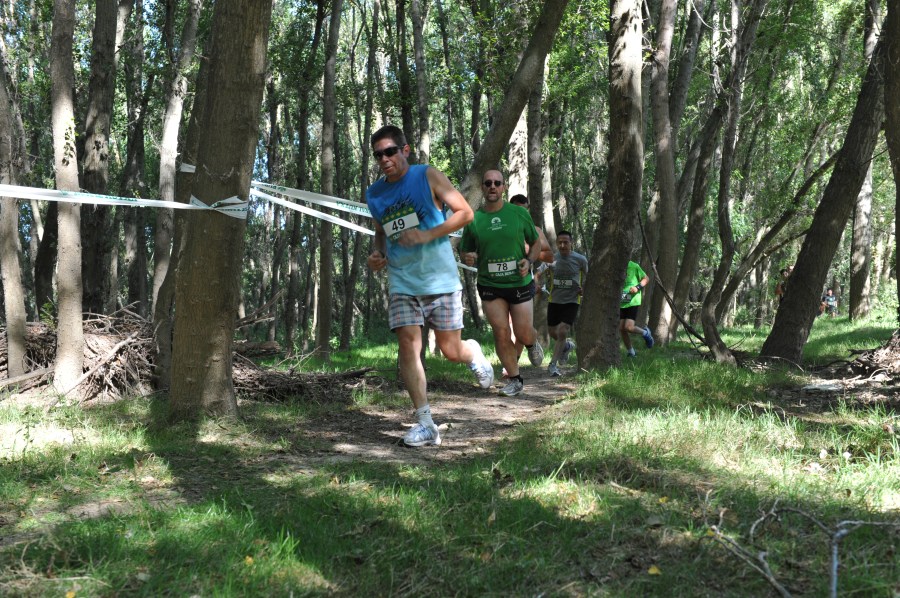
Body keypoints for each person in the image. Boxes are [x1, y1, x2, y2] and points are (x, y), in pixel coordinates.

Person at [366, 125, 494, 447]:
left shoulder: (427, 176)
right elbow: (381, 231)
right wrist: (378, 254)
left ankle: (472, 352)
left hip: (440, 279)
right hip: (402, 281)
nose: (384, 159)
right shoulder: (374, 194)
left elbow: (465, 213)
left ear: (405, 150)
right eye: (378, 155)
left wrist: (426, 235)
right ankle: (425, 423)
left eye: (390, 152)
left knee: (451, 350)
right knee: (409, 345)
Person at [459, 169, 544, 396]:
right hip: (490, 285)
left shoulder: (518, 213)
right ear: (483, 188)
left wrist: (529, 260)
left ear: (503, 187)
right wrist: (467, 257)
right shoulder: (474, 219)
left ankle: (532, 343)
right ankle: (515, 379)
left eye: (497, 183)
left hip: (519, 282)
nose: (492, 186)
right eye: (488, 183)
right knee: (501, 331)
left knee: (523, 332)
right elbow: (465, 250)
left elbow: (536, 242)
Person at [505, 193, 553, 375]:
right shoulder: (500, 228)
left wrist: (530, 250)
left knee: (519, 326)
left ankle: (513, 363)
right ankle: (511, 364)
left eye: (524, 210)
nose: (521, 213)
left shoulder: (535, 230)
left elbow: (549, 256)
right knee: (505, 326)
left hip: (524, 283)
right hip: (499, 283)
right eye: (517, 210)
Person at [539, 230, 588, 377]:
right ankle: (566, 346)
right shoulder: (551, 258)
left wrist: (583, 289)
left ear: (571, 243)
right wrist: (535, 283)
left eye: (565, 242)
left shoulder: (580, 259)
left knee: (562, 331)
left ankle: (553, 365)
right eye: (559, 242)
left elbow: (589, 276)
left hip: (572, 301)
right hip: (554, 300)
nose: (562, 245)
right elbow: (538, 272)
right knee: (553, 332)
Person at [619, 260, 654, 357]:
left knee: (628, 327)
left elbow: (646, 278)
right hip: (622, 301)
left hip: (633, 300)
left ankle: (646, 333)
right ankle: (631, 352)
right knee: (621, 328)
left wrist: (637, 287)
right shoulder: (615, 267)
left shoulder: (633, 266)